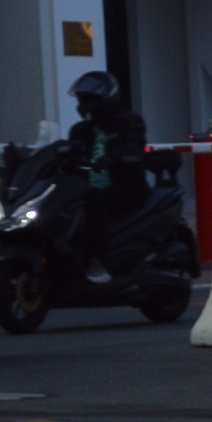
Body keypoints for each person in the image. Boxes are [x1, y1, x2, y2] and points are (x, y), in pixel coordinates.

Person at [63, 71, 148, 284]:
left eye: (90, 100)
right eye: (83, 101)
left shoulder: (129, 122)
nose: (85, 106)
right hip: (86, 188)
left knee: (96, 202)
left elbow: (135, 148)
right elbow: (69, 154)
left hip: (124, 186)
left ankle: (99, 261)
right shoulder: (79, 131)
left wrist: (114, 158)